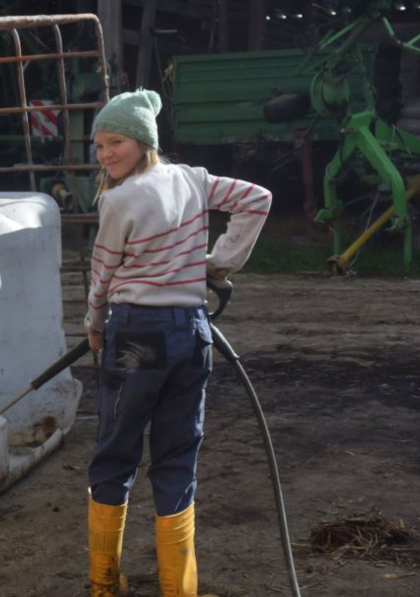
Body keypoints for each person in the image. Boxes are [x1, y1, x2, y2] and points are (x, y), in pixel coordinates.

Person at [84, 89, 271, 597]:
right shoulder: (193, 179)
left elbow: (103, 271)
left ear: (144, 141)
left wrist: (94, 323)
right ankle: (179, 590)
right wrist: (217, 264)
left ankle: (104, 585)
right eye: (99, 145)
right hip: (192, 332)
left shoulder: (118, 199)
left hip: (137, 336)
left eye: (115, 141)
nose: (105, 154)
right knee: (176, 455)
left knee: (116, 452)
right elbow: (258, 199)